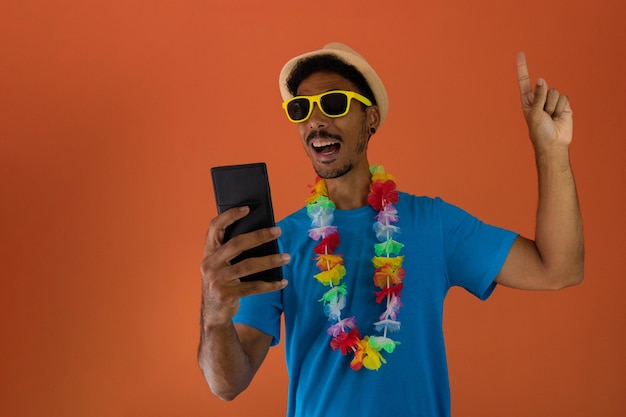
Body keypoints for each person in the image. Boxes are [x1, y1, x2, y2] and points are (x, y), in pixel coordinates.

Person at [198, 42, 584, 417]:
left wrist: (551, 152)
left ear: (371, 118)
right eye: (301, 109)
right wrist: (214, 316)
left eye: (334, 104)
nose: (316, 121)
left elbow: (558, 268)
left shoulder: (433, 223)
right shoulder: (277, 244)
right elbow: (227, 384)